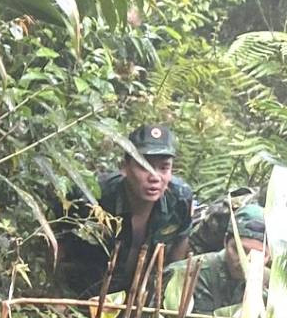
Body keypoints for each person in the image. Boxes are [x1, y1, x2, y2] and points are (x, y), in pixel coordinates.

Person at [56, 124, 195, 298]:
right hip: (85, 294)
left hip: (139, 299)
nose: (155, 177)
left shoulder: (180, 199)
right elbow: (57, 243)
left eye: (164, 168)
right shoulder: (93, 196)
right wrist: (57, 296)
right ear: (125, 167)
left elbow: (178, 252)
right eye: (145, 166)